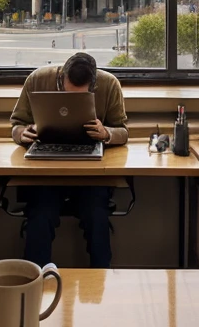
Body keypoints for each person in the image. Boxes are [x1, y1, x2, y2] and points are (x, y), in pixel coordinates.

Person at [10, 53, 128, 268]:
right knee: (40, 215)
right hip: (47, 173)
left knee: (96, 216)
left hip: (90, 175)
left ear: (93, 84)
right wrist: (21, 133)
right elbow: (16, 123)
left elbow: (123, 131)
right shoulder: (37, 80)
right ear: (60, 77)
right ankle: (36, 281)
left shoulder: (109, 85)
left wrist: (106, 133)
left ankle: (100, 282)